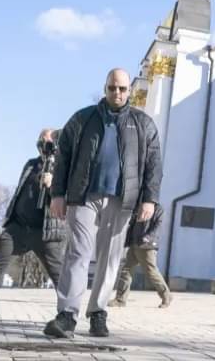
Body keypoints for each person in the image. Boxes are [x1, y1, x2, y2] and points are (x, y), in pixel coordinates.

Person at [44, 68, 163, 339]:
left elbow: (154, 165)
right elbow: (63, 157)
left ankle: (98, 313)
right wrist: (58, 194)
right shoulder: (83, 119)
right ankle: (67, 316)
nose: (117, 93)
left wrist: (150, 198)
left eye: (122, 88)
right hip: (84, 197)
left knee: (110, 259)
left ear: (129, 90)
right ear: (105, 88)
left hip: (122, 200)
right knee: (77, 254)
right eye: (112, 88)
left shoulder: (142, 124)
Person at [0, 129, 66, 324]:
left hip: (46, 231)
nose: (44, 145)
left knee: (60, 275)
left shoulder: (64, 168)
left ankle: (68, 314)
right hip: (18, 228)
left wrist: (53, 184)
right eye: (42, 141)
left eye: (49, 142)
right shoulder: (31, 165)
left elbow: (68, 199)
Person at [108, 202, 172, 308]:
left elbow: (158, 225)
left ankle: (166, 295)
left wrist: (148, 237)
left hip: (147, 245)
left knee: (151, 272)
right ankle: (120, 300)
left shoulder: (158, 209)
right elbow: (132, 223)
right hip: (134, 242)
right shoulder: (138, 206)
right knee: (126, 270)